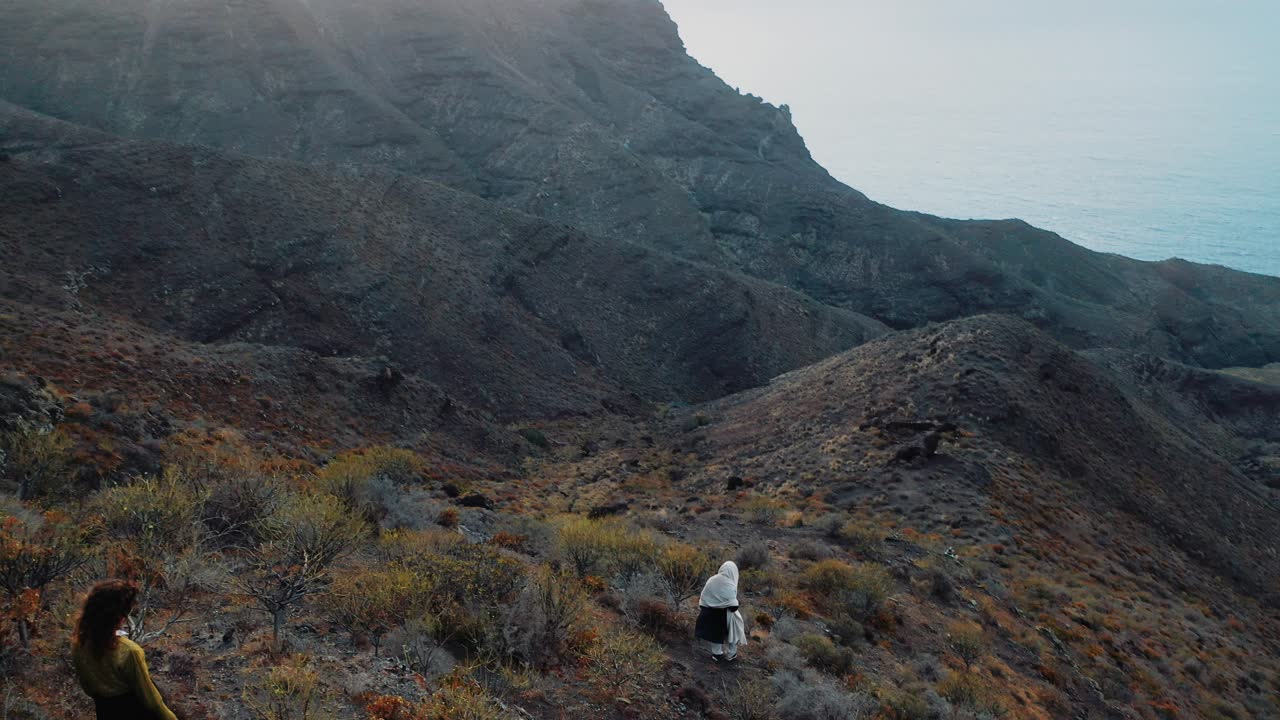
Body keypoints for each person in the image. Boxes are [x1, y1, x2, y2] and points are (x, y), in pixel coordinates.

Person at [71, 580, 178, 720]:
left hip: (104, 712)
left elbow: (88, 688)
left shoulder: (79, 644)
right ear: (119, 617)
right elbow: (151, 699)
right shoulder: (129, 651)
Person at [694, 561, 747, 662]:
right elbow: (734, 607)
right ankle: (731, 653)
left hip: (707, 614)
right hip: (722, 617)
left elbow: (703, 599)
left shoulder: (711, 580)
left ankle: (717, 653)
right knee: (736, 622)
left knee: (716, 626)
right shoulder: (729, 584)